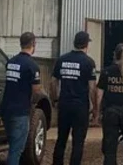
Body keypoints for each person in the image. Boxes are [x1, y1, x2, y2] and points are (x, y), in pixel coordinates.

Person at [51, 31, 98, 165]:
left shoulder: (62, 59)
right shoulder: (89, 62)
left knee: (61, 139)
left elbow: (53, 82)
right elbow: (92, 88)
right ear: (86, 44)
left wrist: (55, 99)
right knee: (78, 142)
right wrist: (95, 107)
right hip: (80, 107)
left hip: (64, 104)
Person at [0, 32, 43, 165]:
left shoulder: (11, 62)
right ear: (33, 44)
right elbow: (36, 91)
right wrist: (33, 103)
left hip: (6, 108)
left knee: (13, 143)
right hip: (20, 111)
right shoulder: (32, 66)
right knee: (16, 149)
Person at [96, 43, 123, 165]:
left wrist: (97, 112)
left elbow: (99, 94)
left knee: (110, 149)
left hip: (110, 112)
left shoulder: (106, 72)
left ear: (114, 55)